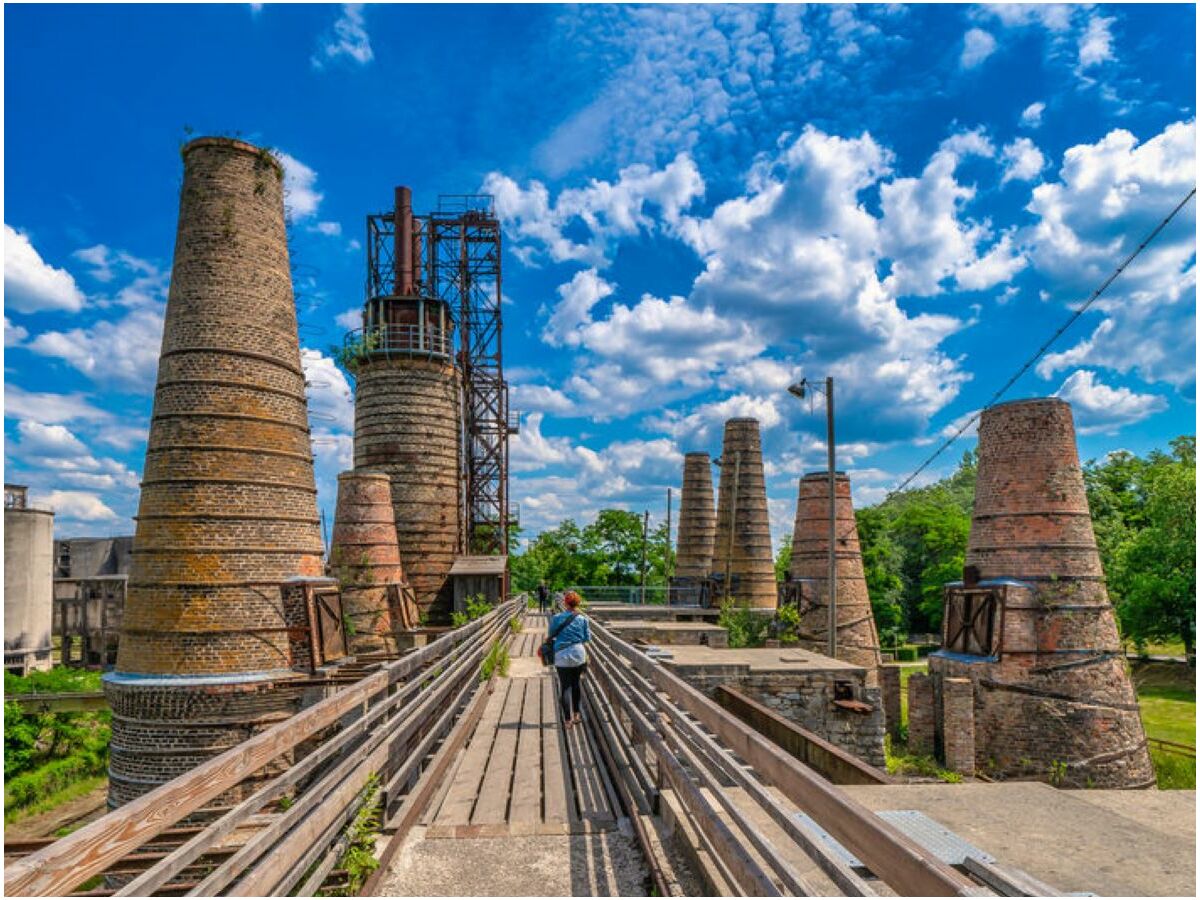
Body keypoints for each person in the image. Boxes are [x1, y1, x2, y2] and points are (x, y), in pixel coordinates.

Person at [550, 591, 590, 727]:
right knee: (576, 684)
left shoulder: (557, 618)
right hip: (579, 653)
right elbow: (586, 638)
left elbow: (551, 635)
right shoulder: (583, 619)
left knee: (565, 687)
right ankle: (577, 714)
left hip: (561, 654)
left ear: (565, 603)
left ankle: (567, 720)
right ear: (578, 603)